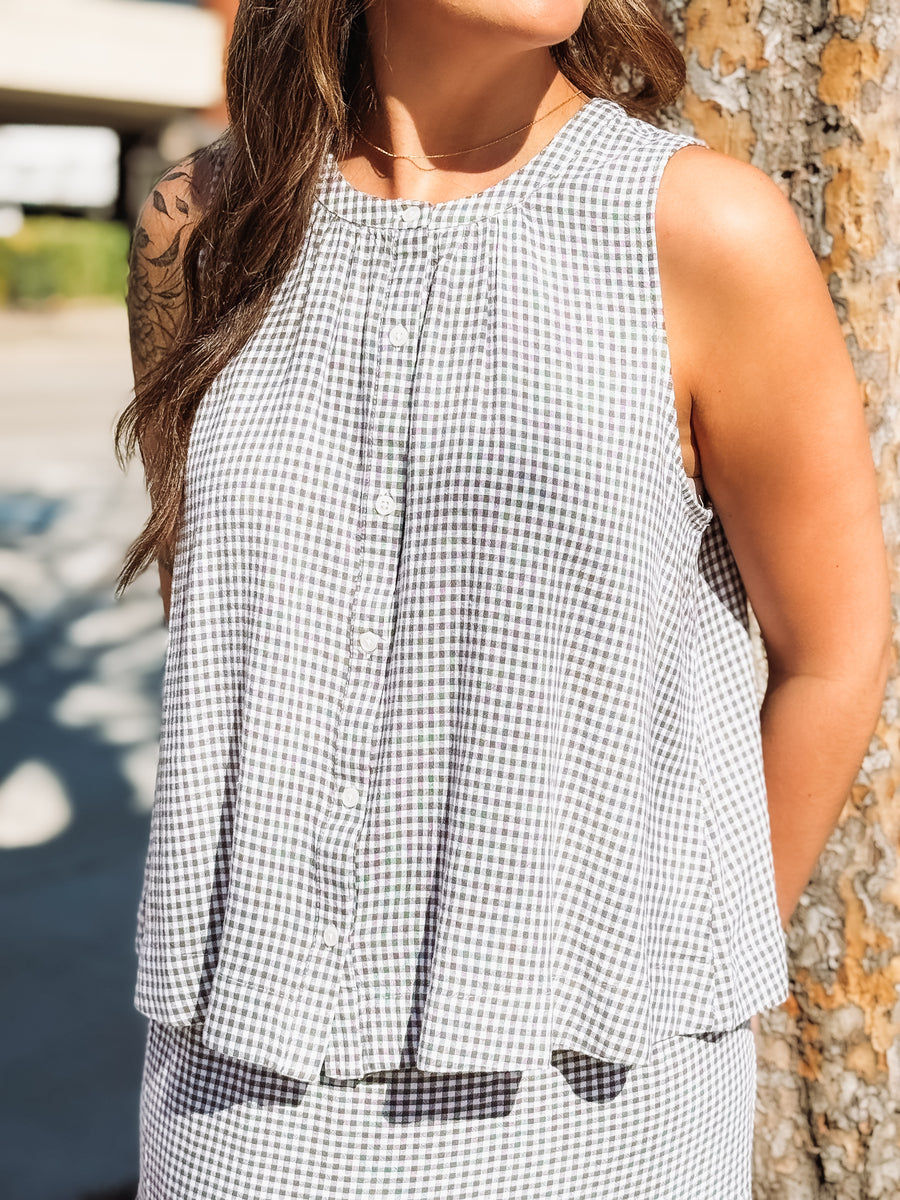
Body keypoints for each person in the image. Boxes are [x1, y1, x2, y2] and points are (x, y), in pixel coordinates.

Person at [116, 1, 890, 1197]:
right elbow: (217, 609)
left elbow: (835, 654)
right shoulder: (200, 223)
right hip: (236, 1096)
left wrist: (664, 953)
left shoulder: (699, 228)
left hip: (596, 1105)